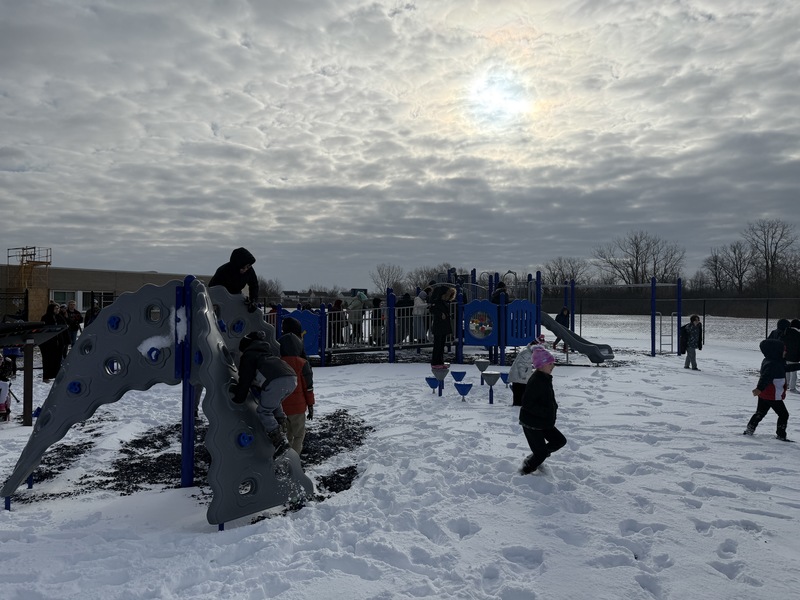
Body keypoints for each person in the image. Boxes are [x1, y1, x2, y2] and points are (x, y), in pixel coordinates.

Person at [232, 331, 296, 457]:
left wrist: (238, 397)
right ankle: (281, 424)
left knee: (263, 411)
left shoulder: (248, 355)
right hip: (291, 378)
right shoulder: (265, 353)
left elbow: (245, 379)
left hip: (276, 380)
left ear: (245, 347)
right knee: (273, 400)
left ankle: (280, 441)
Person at [518, 345, 567, 474]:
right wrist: (546, 412)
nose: (553, 366)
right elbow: (527, 404)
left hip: (543, 422)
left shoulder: (545, 378)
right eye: (550, 363)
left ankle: (537, 456)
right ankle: (525, 470)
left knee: (559, 441)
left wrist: (552, 407)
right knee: (541, 454)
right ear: (541, 365)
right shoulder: (537, 381)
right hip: (532, 423)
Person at [743, 338, 800, 440]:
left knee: (760, 413)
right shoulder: (773, 364)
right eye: (784, 350)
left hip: (765, 394)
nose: (785, 352)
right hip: (772, 394)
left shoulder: (773, 361)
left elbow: (786, 368)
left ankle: (749, 430)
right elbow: (765, 377)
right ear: (776, 351)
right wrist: (759, 388)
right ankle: (781, 435)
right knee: (783, 414)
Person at [278, 317, 315, 456]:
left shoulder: (277, 361)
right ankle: (295, 460)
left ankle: (285, 458)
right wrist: (310, 405)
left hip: (281, 406)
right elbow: (308, 387)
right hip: (298, 408)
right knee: (299, 435)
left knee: (286, 435)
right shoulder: (302, 363)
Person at [429, 286, 456, 368]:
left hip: (443, 326)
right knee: (438, 345)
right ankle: (435, 362)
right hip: (439, 326)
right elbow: (432, 309)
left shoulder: (445, 302)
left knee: (441, 345)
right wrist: (441, 314)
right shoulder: (437, 302)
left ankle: (440, 362)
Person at [39, 303, 65, 382]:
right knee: (48, 360)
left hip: (59, 342)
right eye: (55, 308)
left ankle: (56, 375)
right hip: (48, 342)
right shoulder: (46, 317)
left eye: (58, 308)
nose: (57, 310)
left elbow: (64, 327)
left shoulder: (60, 317)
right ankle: (46, 376)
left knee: (57, 359)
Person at [508, 341, 536, 407]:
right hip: (520, 379)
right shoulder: (527, 353)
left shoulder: (529, 352)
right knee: (519, 399)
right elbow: (521, 365)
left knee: (520, 397)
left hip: (520, 379)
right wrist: (524, 376)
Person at [784, 319, 800, 394]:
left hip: (786, 355)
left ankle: (786, 385)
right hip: (794, 356)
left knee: (787, 371)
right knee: (794, 372)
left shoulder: (786, 332)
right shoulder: (797, 334)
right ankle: (792, 388)